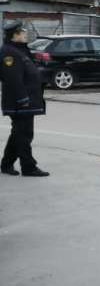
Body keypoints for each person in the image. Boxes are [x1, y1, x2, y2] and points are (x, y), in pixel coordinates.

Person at [1, 20, 48, 177]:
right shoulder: (9, 53)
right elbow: (13, 79)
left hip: (28, 101)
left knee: (18, 134)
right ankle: (28, 167)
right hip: (20, 102)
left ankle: (6, 164)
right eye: (23, 32)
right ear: (15, 35)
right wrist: (23, 99)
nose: (26, 34)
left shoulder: (19, 50)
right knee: (24, 135)